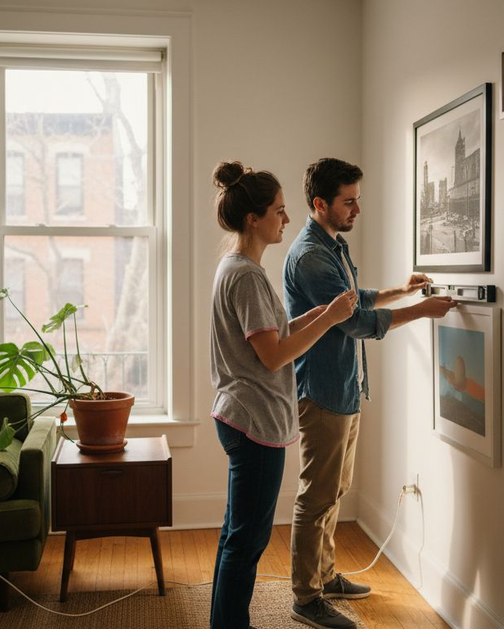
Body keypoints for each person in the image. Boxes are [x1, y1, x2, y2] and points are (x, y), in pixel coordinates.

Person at [283, 158, 458, 629]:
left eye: (358, 198)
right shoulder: (312, 256)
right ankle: (306, 599)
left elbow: (354, 297)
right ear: (320, 204)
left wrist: (400, 291)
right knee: (316, 496)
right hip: (321, 391)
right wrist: (420, 310)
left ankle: (324, 576)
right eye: (349, 201)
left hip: (342, 387)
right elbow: (355, 322)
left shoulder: (331, 246)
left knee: (334, 489)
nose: (358, 208)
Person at [208, 160, 358, 629]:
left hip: (241, 417)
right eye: (278, 210)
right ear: (254, 218)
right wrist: (332, 320)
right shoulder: (248, 277)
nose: (286, 219)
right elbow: (273, 356)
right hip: (253, 423)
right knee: (247, 541)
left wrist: (325, 313)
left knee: (236, 535)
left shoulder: (236, 267)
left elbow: (277, 332)